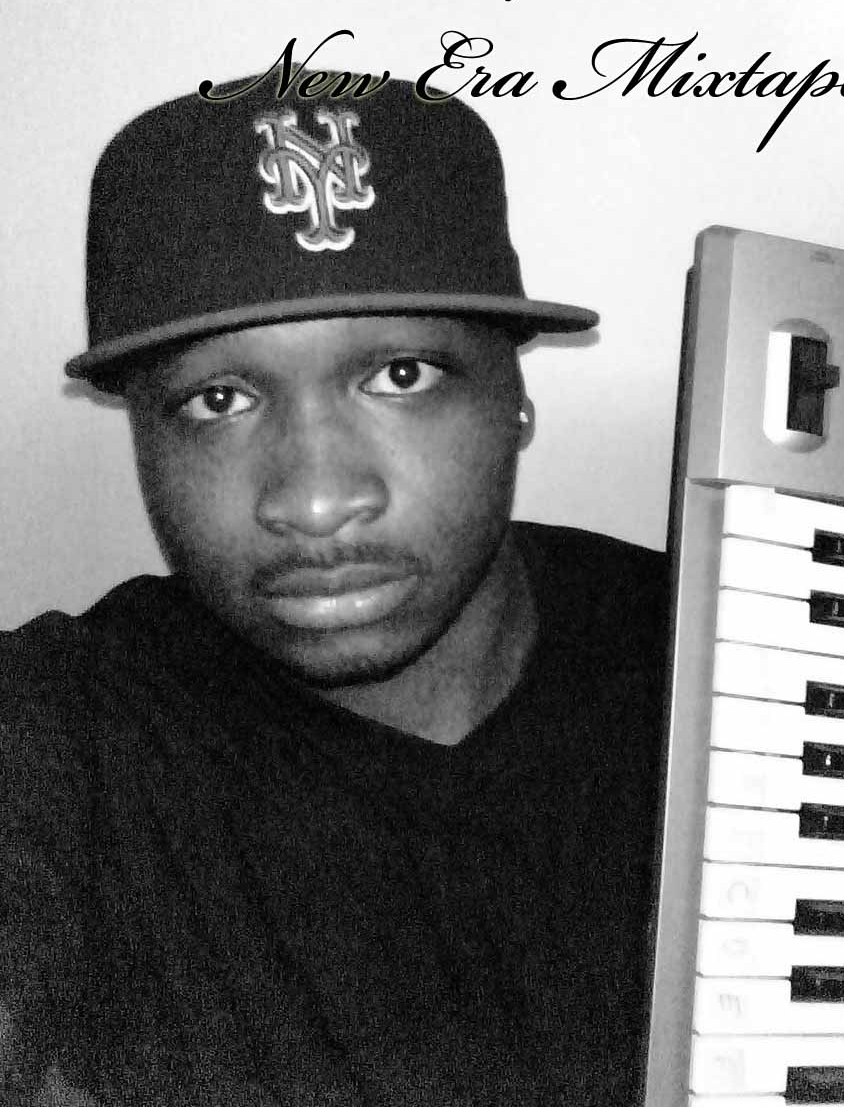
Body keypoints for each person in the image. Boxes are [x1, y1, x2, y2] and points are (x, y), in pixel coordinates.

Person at [0, 75, 669, 1106]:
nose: (315, 502)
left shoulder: (727, 652)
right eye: (218, 398)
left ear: (517, 400)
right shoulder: (70, 722)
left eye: (400, 375)